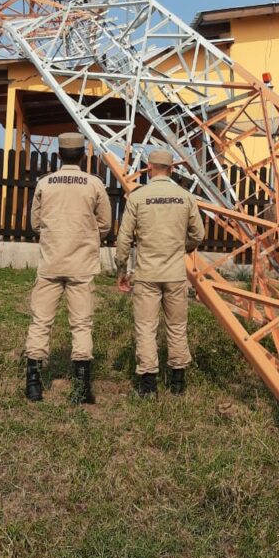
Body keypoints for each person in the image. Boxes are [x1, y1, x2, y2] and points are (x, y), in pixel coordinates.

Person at [23, 132, 112, 405]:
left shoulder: (45, 183)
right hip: (81, 265)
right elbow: (105, 224)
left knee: (41, 323)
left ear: (59, 154)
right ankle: (82, 388)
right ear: (82, 155)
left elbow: (35, 223)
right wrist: (87, 236)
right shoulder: (94, 184)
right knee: (81, 325)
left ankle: (34, 385)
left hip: (50, 263)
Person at [115, 147, 205, 397]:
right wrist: (181, 248)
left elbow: (124, 239)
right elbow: (199, 234)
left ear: (149, 168)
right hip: (175, 274)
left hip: (146, 275)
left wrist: (122, 269)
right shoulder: (185, 197)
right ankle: (177, 383)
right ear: (173, 169)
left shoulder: (138, 197)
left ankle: (148, 385)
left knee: (146, 327)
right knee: (177, 327)